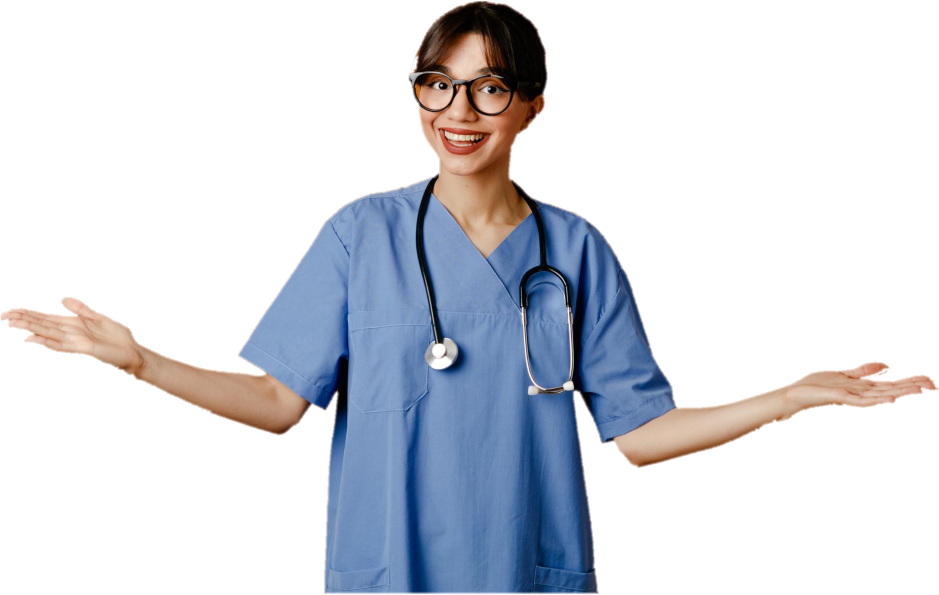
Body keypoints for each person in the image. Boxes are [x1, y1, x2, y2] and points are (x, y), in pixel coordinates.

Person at [2, 2, 933, 594]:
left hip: (527, 574)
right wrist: (140, 361)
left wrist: (789, 399)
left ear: (532, 112)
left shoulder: (576, 250)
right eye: (437, 84)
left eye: (490, 89)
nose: (459, 111)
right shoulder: (359, 234)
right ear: (415, 100)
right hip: (387, 576)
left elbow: (637, 431)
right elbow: (278, 400)